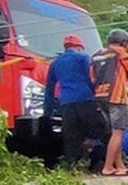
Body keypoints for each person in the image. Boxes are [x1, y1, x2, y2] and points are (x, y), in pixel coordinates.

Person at [43, 33, 105, 169]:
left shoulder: (55, 63)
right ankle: (102, 163)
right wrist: (98, 97)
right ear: (78, 47)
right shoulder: (83, 58)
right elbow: (91, 79)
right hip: (85, 100)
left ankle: (72, 167)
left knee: (72, 137)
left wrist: (47, 112)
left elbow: (49, 89)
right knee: (102, 131)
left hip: (66, 104)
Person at [90, 28, 128, 176]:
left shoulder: (96, 55)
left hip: (100, 96)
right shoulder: (120, 52)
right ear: (124, 42)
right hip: (117, 97)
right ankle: (108, 167)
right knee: (118, 133)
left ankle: (120, 166)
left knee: (113, 134)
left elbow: (92, 77)